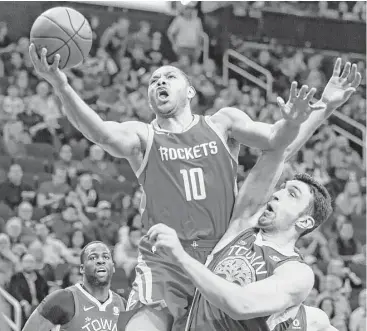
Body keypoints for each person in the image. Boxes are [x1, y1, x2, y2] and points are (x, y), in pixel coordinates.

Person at [29, 44, 360, 330]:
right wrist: (61, 84)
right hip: (166, 262)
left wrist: (321, 107)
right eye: (154, 80)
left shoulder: (222, 123)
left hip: (222, 254)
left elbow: (278, 144)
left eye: (170, 76)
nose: (160, 81)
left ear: (189, 91)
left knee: (314, 321)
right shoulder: (144, 136)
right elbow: (101, 132)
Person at [145, 61, 361, 330]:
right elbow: (278, 152)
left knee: (317, 321)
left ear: (305, 222)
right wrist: (325, 104)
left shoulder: (296, 272)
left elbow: (241, 305)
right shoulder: (242, 227)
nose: (278, 193)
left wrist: (181, 256)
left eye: (291, 194)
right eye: (282, 188)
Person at [22, 241, 125, 331]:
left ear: (113, 267)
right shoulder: (62, 299)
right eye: (93, 257)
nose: (100, 261)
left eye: (106, 257)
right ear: (82, 269)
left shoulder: (123, 305)